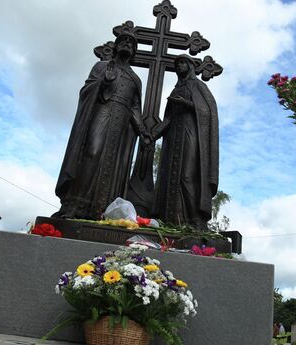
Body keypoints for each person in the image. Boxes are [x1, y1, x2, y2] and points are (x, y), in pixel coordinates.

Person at [53, 32, 151, 220]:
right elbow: (86, 90)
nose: (127, 44)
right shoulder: (102, 66)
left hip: (121, 121)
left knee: (114, 164)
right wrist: (103, 81)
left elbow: (135, 108)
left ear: (134, 51)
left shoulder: (135, 79)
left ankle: (101, 209)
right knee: (92, 151)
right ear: (116, 46)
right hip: (102, 111)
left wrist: (142, 131)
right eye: (124, 41)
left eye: (131, 43)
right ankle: (76, 205)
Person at [151, 54, 219, 230]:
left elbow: (208, 112)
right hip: (174, 137)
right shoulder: (175, 90)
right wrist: (152, 135)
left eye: (182, 62)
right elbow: (168, 118)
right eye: (177, 63)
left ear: (190, 65)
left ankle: (195, 219)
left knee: (187, 175)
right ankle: (173, 219)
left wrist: (188, 104)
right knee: (170, 175)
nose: (179, 66)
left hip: (192, 135)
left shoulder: (198, 86)